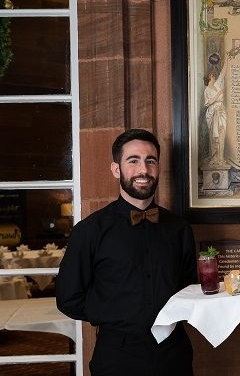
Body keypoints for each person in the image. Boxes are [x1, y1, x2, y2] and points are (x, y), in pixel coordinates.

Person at [56, 129, 197, 376]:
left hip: (174, 354)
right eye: (133, 161)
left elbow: (189, 287)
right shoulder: (89, 231)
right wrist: (117, 314)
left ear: (158, 168)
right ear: (116, 169)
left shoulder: (180, 229)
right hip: (116, 356)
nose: (143, 170)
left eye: (150, 161)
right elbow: (68, 297)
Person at [203, 56, 228, 166]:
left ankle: (220, 159)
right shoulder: (207, 90)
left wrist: (227, 60)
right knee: (214, 137)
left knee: (222, 135)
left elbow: (223, 73)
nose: (214, 76)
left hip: (221, 112)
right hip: (213, 114)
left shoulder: (217, 85)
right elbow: (207, 103)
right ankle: (214, 158)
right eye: (212, 75)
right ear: (208, 77)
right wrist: (218, 95)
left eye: (214, 75)